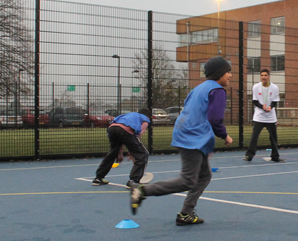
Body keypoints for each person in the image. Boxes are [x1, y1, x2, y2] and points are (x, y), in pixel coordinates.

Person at [130, 56, 233, 226]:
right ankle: (141, 191)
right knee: (187, 180)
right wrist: (225, 136)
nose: (230, 75)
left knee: (204, 175)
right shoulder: (218, 90)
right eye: (228, 71)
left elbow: (193, 111)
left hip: (186, 133)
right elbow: (215, 119)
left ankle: (186, 213)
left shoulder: (199, 88)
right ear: (219, 73)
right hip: (192, 137)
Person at [93, 108, 151, 186]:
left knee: (112, 153)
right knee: (143, 154)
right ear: (148, 117)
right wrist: (132, 152)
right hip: (125, 130)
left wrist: (119, 152)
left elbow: (119, 129)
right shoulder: (145, 120)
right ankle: (133, 181)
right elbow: (137, 136)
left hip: (112, 129)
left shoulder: (129, 115)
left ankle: (98, 178)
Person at [243, 69, 284, 162]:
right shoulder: (256, 87)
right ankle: (249, 155)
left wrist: (270, 107)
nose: (263, 77)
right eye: (262, 75)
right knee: (254, 136)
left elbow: (275, 101)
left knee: (273, 138)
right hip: (259, 116)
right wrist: (262, 107)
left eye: (265, 75)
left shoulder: (275, 88)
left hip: (270, 117)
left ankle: (275, 156)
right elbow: (254, 101)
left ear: (269, 76)